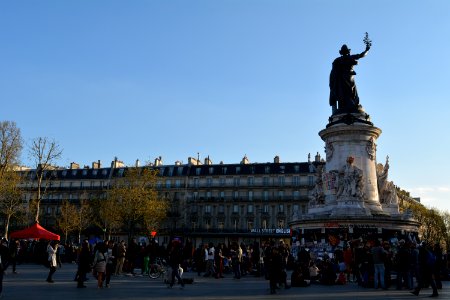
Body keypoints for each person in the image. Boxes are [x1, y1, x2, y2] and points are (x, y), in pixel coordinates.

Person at [329, 43, 370, 114]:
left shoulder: (338, 60)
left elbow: (332, 72)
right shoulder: (346, 59)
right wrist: (367, 50)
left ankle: (349, 105)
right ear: (348, 51)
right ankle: (350, 105)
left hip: (345, 78)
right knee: (348, 92)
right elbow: (361, 55)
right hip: (345, 78)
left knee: (347, 92)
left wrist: (332, 82)